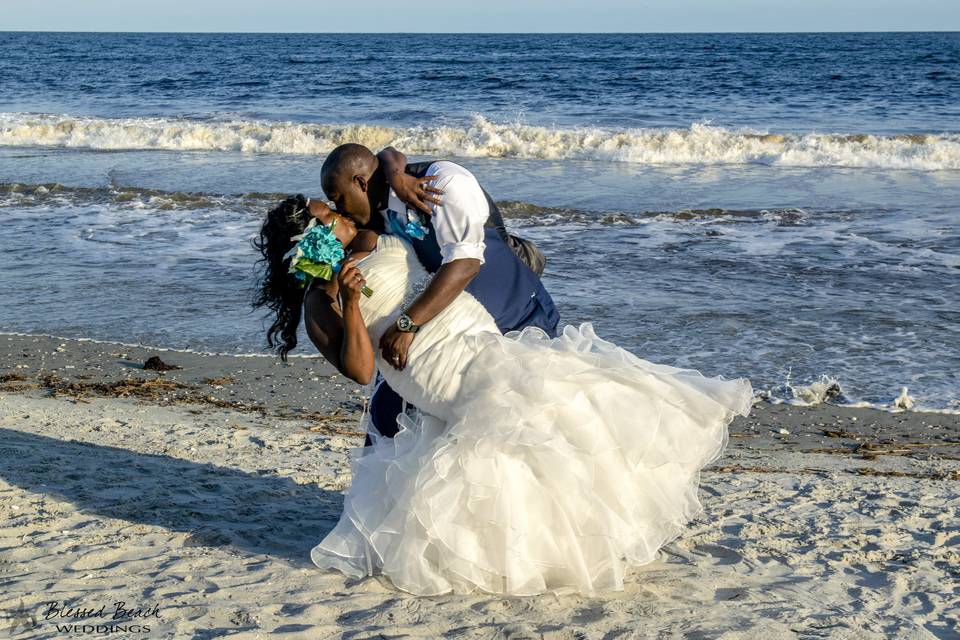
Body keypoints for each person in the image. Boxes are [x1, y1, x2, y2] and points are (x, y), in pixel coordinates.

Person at [253, 199, 754, 596]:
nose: (341, 215)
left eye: (335, 207)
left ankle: (574, 543)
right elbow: (361, 370)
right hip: (432, 368)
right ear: (310, 238)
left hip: (469, 332)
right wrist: (350, 299)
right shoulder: (320, 300)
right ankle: (528, 557)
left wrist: (403, 177)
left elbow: (385, 210)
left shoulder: (363, 237)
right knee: (517, 420)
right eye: (328, 216)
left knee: (559, 407)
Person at [318, 144, 560, 441]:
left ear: (360, 183)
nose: (337, 209)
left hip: (515, 318)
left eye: (337, 198)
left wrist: (407, 324)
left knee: (520, 424)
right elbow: (385, 154)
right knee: (386, 424)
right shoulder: (376, 209)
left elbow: (466, 264)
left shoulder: (442, 182)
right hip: (444, 332)